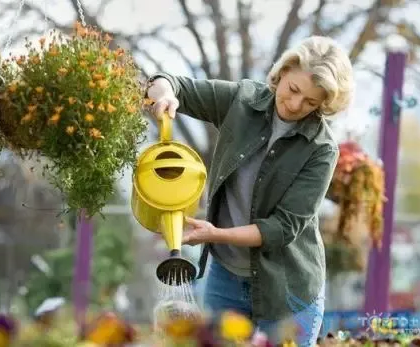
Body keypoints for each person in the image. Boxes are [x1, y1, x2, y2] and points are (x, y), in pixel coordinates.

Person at [145, 35, 354, 346]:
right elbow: (171, 84)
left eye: (311, 102)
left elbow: (283, 228)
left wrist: (215, 234)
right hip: (225, 278)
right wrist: (165, 96)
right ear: (283, 72)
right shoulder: (240, 102)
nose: (296, 105)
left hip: (288, 289)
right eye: (293, 90)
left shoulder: (321, 149)